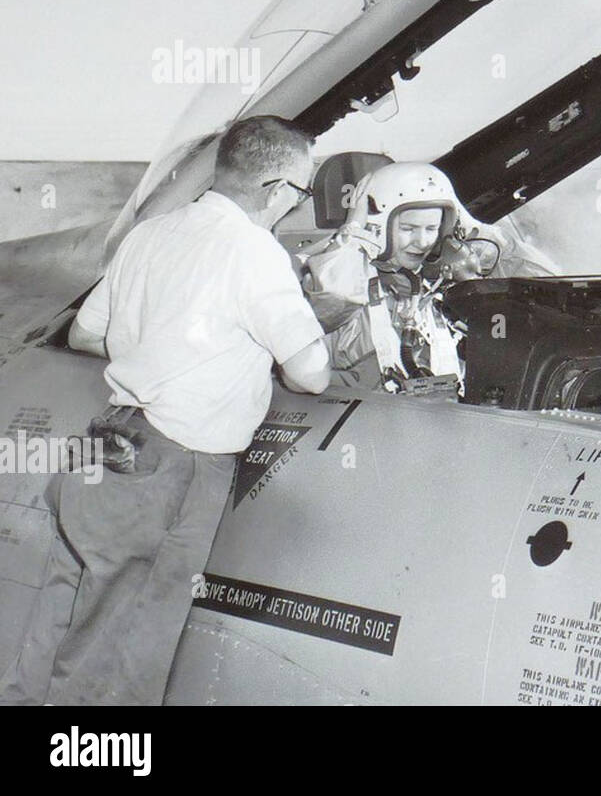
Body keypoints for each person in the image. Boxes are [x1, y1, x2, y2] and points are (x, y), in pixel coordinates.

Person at [0, 116, 330, 706]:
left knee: (63, 611)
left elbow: (84, 335)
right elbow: (311, 373)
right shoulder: (255, 251)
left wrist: (156, 348)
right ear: (275, 189)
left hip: (109, 441)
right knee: (123, 646)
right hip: (177, 466)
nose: (295, 203)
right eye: (300, 192)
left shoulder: (150, 234)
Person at [302, 161, 495, 393]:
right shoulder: (349, 280)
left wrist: (474, 226)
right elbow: (333, 297)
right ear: (378, 226)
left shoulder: (436, 287)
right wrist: (354, 231)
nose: (422, 242)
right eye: (408, 229)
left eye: (432, 229)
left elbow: (524, 276)